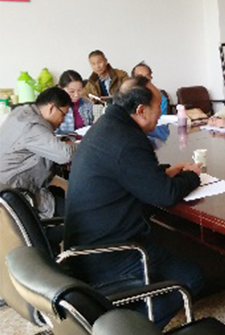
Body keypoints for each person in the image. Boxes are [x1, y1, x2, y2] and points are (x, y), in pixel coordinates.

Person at [64, 76, 204, 329]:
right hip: (108, 254)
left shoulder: (109, 125)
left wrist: (164, 172)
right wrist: (192, 176)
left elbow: (129, 172)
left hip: (85, 246)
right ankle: (128, 328)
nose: (161, 113)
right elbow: (165, 194)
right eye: (158, 107)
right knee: (191, 278)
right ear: (141, 110)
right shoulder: (127, 140)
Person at [0, 87, 76, 219]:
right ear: (51, 108)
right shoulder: (32, 125)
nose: (63, 120)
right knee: (77, 213)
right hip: (19, 196)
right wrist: (81, 145)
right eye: (63, 114)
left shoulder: (21, 113)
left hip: (8, 190)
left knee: (60, 191)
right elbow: (65, 155)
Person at [56, 70, 94, 134]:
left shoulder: (86, 103)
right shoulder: (56, 107)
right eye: (72, 91)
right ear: (61, 89)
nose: (76, 95)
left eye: (79, 90)